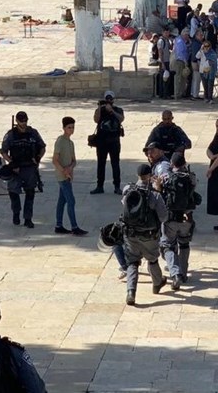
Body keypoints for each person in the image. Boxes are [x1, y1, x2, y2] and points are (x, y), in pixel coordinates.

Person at [122, 164, 169, 305]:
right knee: (152, 259)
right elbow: (163, 217)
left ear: (137, 176)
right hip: (149, 234)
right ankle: (157, 283)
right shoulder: (154, 195)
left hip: (130, 233)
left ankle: (131, 292)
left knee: (132, 262)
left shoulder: (127, 190)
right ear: (150, 175)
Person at [0, 111, 46, 229]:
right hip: (16, 168)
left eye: (25, 121)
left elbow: (42, 147)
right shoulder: (11, 135)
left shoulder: (33, 133)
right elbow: (3, 151)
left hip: (30, 167)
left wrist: (38, 157)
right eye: (21, 121)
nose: (24, 123)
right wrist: (11, 162)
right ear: (17, 122)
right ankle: (16, 213)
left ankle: (28, 218)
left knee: (30, 193)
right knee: (13, 192)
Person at [160, 153, 196, 289]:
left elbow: (158, 189)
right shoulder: (191, 177)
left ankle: (175, 274)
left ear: (172, 163)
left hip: (171, 218)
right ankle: (184, 274)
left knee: (168, 246)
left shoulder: (167, 177)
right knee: (184, 245)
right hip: (187, 218)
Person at [51, 117, 86, 236]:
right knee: (71, 200)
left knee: (62, 200)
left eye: (73, 127)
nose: (71, 130)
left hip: (68, 175)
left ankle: (59, 225)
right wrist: (64, 171)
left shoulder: (71, 143)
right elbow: (55, 160)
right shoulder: (60, 141)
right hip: (62, 176)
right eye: (69, 127)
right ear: (64, 128)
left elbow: (74, 161)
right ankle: (74, 227)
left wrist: (70, 168)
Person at [91, 91, 124, 195]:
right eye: (107, 99)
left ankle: (117, 186)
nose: (109, 101)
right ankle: (99, 186)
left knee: (115, 164)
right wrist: (100, 108)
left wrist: (112, 111)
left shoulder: (118, 110)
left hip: (114, 141)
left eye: (110, 99)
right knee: (101, 164)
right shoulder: (100, 110)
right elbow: (96, 120)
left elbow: (121, 119)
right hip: (102, 141)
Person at [196, 39, 218, 104]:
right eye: (205, 46)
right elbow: (197, 56)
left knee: (210, 85)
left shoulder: (213, 53)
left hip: (211, 71)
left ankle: (210, 98)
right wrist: (201, 50)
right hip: (203, 71)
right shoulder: (202, 52)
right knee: (205, 85)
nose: (206, 47)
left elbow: (214, 61)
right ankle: (206, 98)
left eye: (207, 46)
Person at [173, 29, 191, 100]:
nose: (188, 36)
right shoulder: (180, 41)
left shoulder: (182, 41)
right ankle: (177, 94)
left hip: (182, 61)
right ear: (184, 35)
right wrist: (185, 61)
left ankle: (181, 93)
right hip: (180, 61)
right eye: (187, 35)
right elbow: (180, 53)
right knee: (179, 78)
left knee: (183, 78)